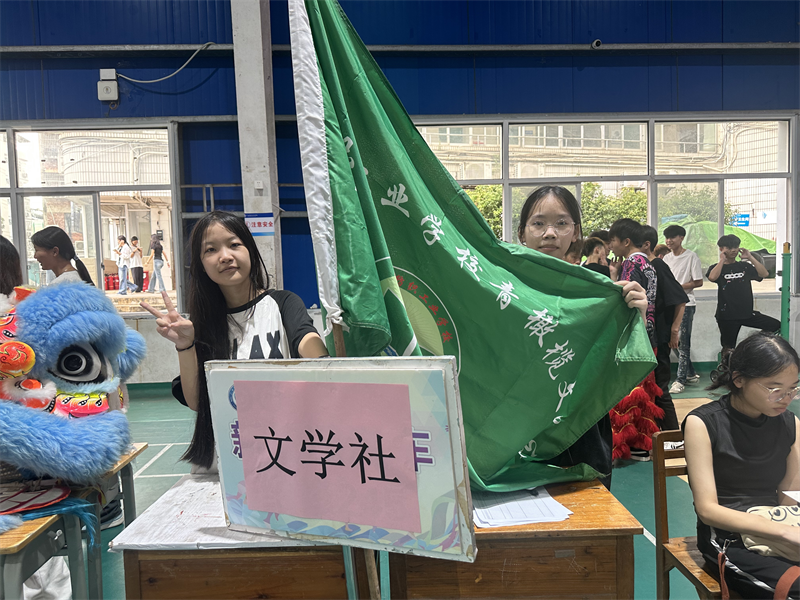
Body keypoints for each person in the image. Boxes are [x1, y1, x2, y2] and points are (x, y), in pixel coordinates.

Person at [141, 211, 329, 469]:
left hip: (287, 453)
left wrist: (323, 361)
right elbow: (197, 402)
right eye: (211, 250)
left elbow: (306, 339)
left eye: (234, 244)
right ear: (201, 265)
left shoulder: (283, 303)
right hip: (230, 458)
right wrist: (185, 346)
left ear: (250, 250)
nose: (225, 256)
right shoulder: (202, 325)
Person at [517, 186, 648, 486]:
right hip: (516, 428)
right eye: (538, 223)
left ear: (575, 232)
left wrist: (635, 317)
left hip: (581, 429)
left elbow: (622, 365)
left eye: (562, 223)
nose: (550, 233)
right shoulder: (500, 287)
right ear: (522, 232)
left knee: (586, 512)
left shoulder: (597, 290)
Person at [683, 332, 800, 599]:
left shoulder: (790, 423)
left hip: (777, 529)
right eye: (775, 389)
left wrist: (788, 532)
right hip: (728, 538)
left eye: (793, 388)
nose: (786, 398)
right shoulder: (703, 423)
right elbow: (707, 510)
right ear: (739, 380)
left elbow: (789, 499)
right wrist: (785, 532)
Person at [642, 225, 687, 432]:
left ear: (645, 245)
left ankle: (672, 436)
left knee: (660, 389)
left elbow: (680, 299)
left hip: (660, 336)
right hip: (648, 337)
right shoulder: (640, 267)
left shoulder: (658, 266)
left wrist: (674, 331)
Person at [707, 234, 779, 356]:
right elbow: (712, 277)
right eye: (729, 247)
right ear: (721, 249)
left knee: (775, 325)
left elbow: (764, 274)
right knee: (728, 348)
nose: (733, 250)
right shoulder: (716, 268)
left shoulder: (745, 266)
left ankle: (752, 345)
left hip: (747, 313)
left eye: (735, 247)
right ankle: (727, 367)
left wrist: (750, 257)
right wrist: (722, 260)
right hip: (727, 315)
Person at [663, 225, 704, 394]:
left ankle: (680, 381)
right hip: (669, 304)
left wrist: (677, 288)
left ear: (681, 238)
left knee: (683, 343)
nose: (669, 241)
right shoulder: (666, 258)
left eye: (672, 237)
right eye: (667, 238)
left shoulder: (691, 256)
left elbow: (698, 281)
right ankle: (691, 374)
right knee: (673, 341)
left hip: (686, 304)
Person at [608, 218, 657, 347]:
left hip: (635, 334)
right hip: (649, 330)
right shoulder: (647, 263)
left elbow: (624, 302)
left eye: (613, 240)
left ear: (626, 242)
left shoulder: (631, 263)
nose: (610, 246)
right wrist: (614, 273)